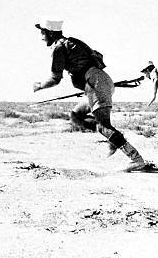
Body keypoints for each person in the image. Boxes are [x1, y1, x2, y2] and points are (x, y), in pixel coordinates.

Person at [33, 19, 146, 171]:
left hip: (96, 84)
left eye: (43, 33)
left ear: (51, 33)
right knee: (76, 115)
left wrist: (39, 86)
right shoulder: (73, 42)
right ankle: (114, 137)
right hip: (98, 82)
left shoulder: (59, 47)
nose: (41, 37)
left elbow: (55, 78)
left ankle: (136, 159)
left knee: (102, 126)